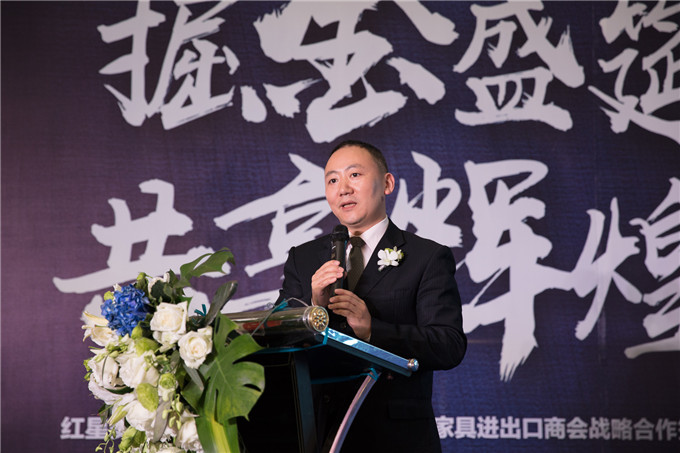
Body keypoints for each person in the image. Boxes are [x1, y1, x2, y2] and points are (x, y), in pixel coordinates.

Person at [277, 139, 466, 453]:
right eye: (332, 180)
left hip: (395, 437)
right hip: (319, 434)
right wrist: (312, 308)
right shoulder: (304, 258)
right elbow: (277, 338)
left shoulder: (427, 257)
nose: (343, 189)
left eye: (355, 175)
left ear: (387, 184)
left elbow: (448, 344)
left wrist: (371, 330)